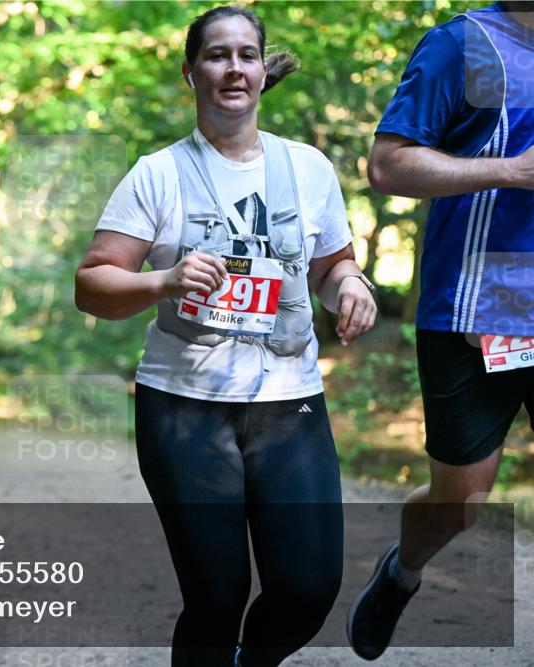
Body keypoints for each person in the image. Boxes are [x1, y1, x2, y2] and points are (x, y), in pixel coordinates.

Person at [75, 7, 377, 666]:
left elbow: (332, 268)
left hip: (290, 401)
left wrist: (352, 288)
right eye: (217, 55)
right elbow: (92, 284)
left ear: (265, 72)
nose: (233, 67)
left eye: (247, 54)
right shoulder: (157, 175)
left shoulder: (309, 170)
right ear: (191, 73)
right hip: (183, 406)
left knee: (308, 585)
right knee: (216, 594)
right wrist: (165, 281)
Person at [347, 2, 533, 661]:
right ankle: (402, 570)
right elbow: (389, 166)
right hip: (482, 307)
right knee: (462, 499)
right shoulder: (468, 45)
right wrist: (512, 169)